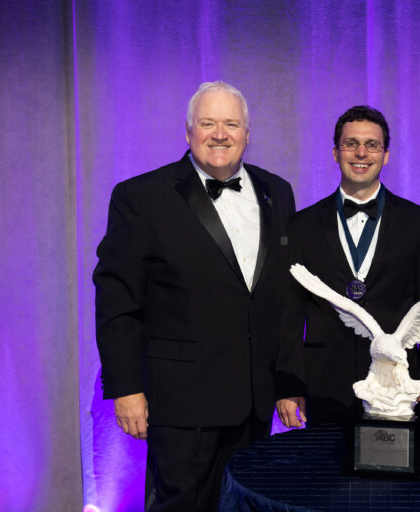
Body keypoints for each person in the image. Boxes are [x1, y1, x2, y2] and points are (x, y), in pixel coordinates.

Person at [93, 81, 295, 511]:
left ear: (246, 133)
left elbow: (282, 298)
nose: (219, 134)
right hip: (181, 399)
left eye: (230, 124)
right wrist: (126, 388)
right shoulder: (141, 197)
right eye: (207, 123)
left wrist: (286, 382)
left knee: (246, 504)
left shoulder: (277, 191)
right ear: (188, 132)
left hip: (254, 401)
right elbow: (117, 300)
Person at [275, 105, 420, 428]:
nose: (361, 153)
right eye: (350, 143)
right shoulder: (301, 226)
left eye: (372, 145)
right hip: (322, 385)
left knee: (393, 474)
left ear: (386, 155)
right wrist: (290, 385)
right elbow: (289, 313)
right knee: (327, 477)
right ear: (335, 153)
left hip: (396, 386)